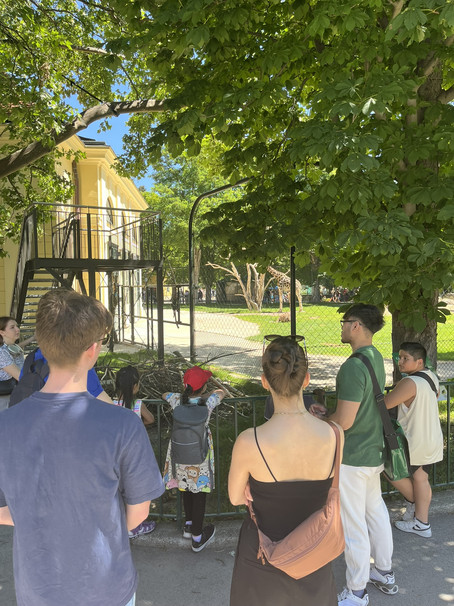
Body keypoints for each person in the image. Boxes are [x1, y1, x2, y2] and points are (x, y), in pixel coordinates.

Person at [0, 288, 164, 606]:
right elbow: (139, 512)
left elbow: (3, 511)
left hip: (38, 591)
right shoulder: (125, 426)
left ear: (40, 342)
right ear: (93, 350)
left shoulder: (5, 427)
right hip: (108, 589)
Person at [229, 335, 343, 606]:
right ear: (306, 379)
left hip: (262, 558)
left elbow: (235, 498)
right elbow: (332, 491)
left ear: (264, 381)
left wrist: (249, 485)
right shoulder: (334, 434)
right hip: (313, 557)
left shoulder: (249, 441)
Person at [311, 304, 397, 606]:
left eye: (346, 322)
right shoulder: (374, 357)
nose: (342, 326)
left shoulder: (351, 367)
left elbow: (345, 421)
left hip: (353, 457)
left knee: (354, 522)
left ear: (357, 326)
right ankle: (384, 573)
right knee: (376, 511)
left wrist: (323, 419)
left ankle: (357, 591)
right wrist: (331, 413)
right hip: (373, 452)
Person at [162, 366, 227, 552]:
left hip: (179, 455)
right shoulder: (208, 403)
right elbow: (221, 392)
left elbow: (164, 394)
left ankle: (189, 525)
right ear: (204, 386)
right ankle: (197, 538)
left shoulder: (176, 401)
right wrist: (207, 393)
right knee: (199, 492)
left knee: (185, 487)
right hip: (201, 456)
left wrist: (182, 394)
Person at [384, 342, 443, 538]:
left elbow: (385, 404)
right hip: (430, 436)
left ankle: (419, 518)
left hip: (415, 438)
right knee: (420, 478)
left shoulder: (409, 383)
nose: (400, 362)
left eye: (405, 359)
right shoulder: (430, 376)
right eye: (399, 357)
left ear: (419, 361)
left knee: (389, 470)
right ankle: (420, 519)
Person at [114, 365, 157, 539]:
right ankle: (134, 526)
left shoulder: (111, 403)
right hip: (135, 455)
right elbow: (151, 419)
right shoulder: (138, 405)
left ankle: (121, 523)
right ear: (136, 386)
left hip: (116, 454)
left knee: (120, 491)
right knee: (135, 492)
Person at [0, 316, 31, 410]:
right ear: (2, 332)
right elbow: (20, 376)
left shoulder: (13, 347)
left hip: (15, 396)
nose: (17, 329)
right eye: (12, 327)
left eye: (17, 326)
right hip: (4, 400)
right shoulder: (1, 352)